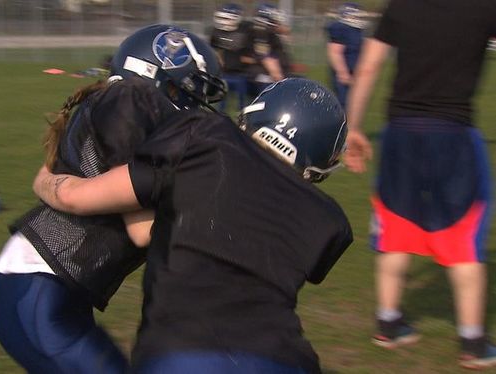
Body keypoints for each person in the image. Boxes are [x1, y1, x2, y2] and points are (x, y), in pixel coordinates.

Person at [33, 78, 353, 374]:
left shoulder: (204, 138)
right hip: (285, 361)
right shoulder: (328, 219)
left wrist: (44, 178)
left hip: (183, 354)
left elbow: (75, 197)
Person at [0, 24, 226, 373]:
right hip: (42, 286)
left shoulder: (111, 104)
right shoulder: (128, 101)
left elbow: (45, 179)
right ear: (154, 76)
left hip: (50, 286)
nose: (196, 107)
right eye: (188, 91)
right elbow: (142, 229)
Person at [344, 0, 496, 369]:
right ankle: (473, 343)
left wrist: (353, 128)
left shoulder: (401, 6)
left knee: (395, 226)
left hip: (402, 135)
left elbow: (367, 67)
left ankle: (388, 322)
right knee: (461, 235)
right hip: (453, 135)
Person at [245, 3, 294, 98]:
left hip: (274, 72)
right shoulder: (261, 35)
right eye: (274, 18)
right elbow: (267, 58)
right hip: (264, 74)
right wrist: (278, 75)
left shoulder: (270, 35)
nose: (277, 22)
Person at [210, 3, 251, 111]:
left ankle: (242, 120)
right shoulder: (217, 32)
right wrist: (219, 58)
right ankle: (220, 118)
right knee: (221, 102)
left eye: (226, 18)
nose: (223, 21)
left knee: (242, 103)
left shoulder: (245, 32)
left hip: (240, 74)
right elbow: (213, 47)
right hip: (224, 73)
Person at [325, 2, 366, 109]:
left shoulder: (355, 30)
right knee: (343, 105)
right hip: (345, 75)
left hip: (354, 73)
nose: (357, 18)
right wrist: (343, 73)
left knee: (353, 106)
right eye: (355, 15)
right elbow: (335, 51)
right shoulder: (341, 28)